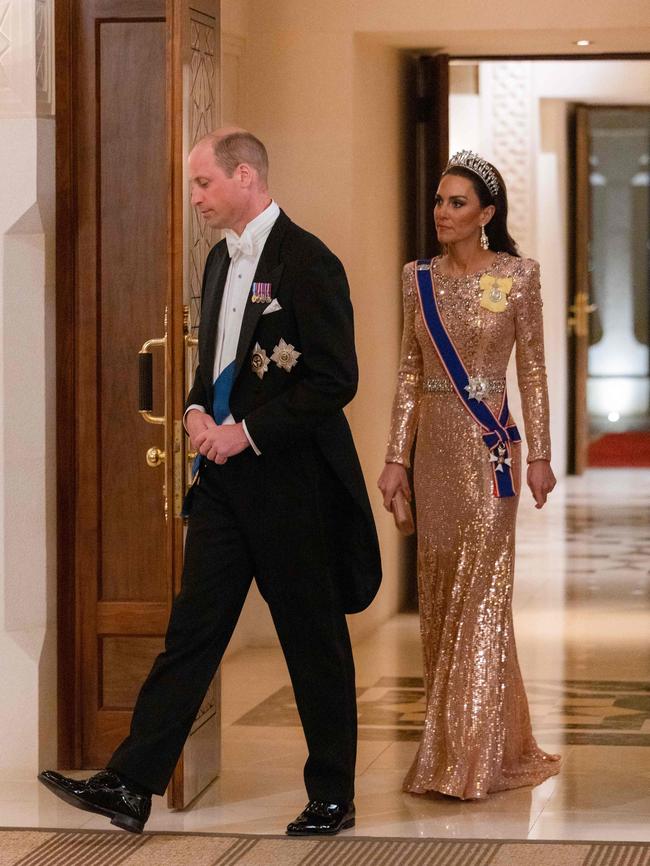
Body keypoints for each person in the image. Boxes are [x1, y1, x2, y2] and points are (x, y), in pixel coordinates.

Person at [40, 128, 381, 835]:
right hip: (224, 486)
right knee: (191, 632)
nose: (194, 197)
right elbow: (213, 360)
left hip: (293, 486)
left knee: (310, 639)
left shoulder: (309, 262)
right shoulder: (219, 260)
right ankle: (131, 783)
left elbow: (335, 380)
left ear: (245, 177)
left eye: (203, 183)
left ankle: (332, 797)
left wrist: (248, 432)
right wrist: (196, 409)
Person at [378, 150, 561, 800]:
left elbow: (533, 370)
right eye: (438, 201)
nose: (443, 213)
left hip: (491, 454)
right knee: (439, 601)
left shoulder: (516, 275)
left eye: (457, 203)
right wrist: (396, 457)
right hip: (433, 457)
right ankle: (484, 742)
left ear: (486, 214)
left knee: (481, 603)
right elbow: (406, 371)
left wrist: (539, 453)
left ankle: (465, 764)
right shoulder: (416, 279)